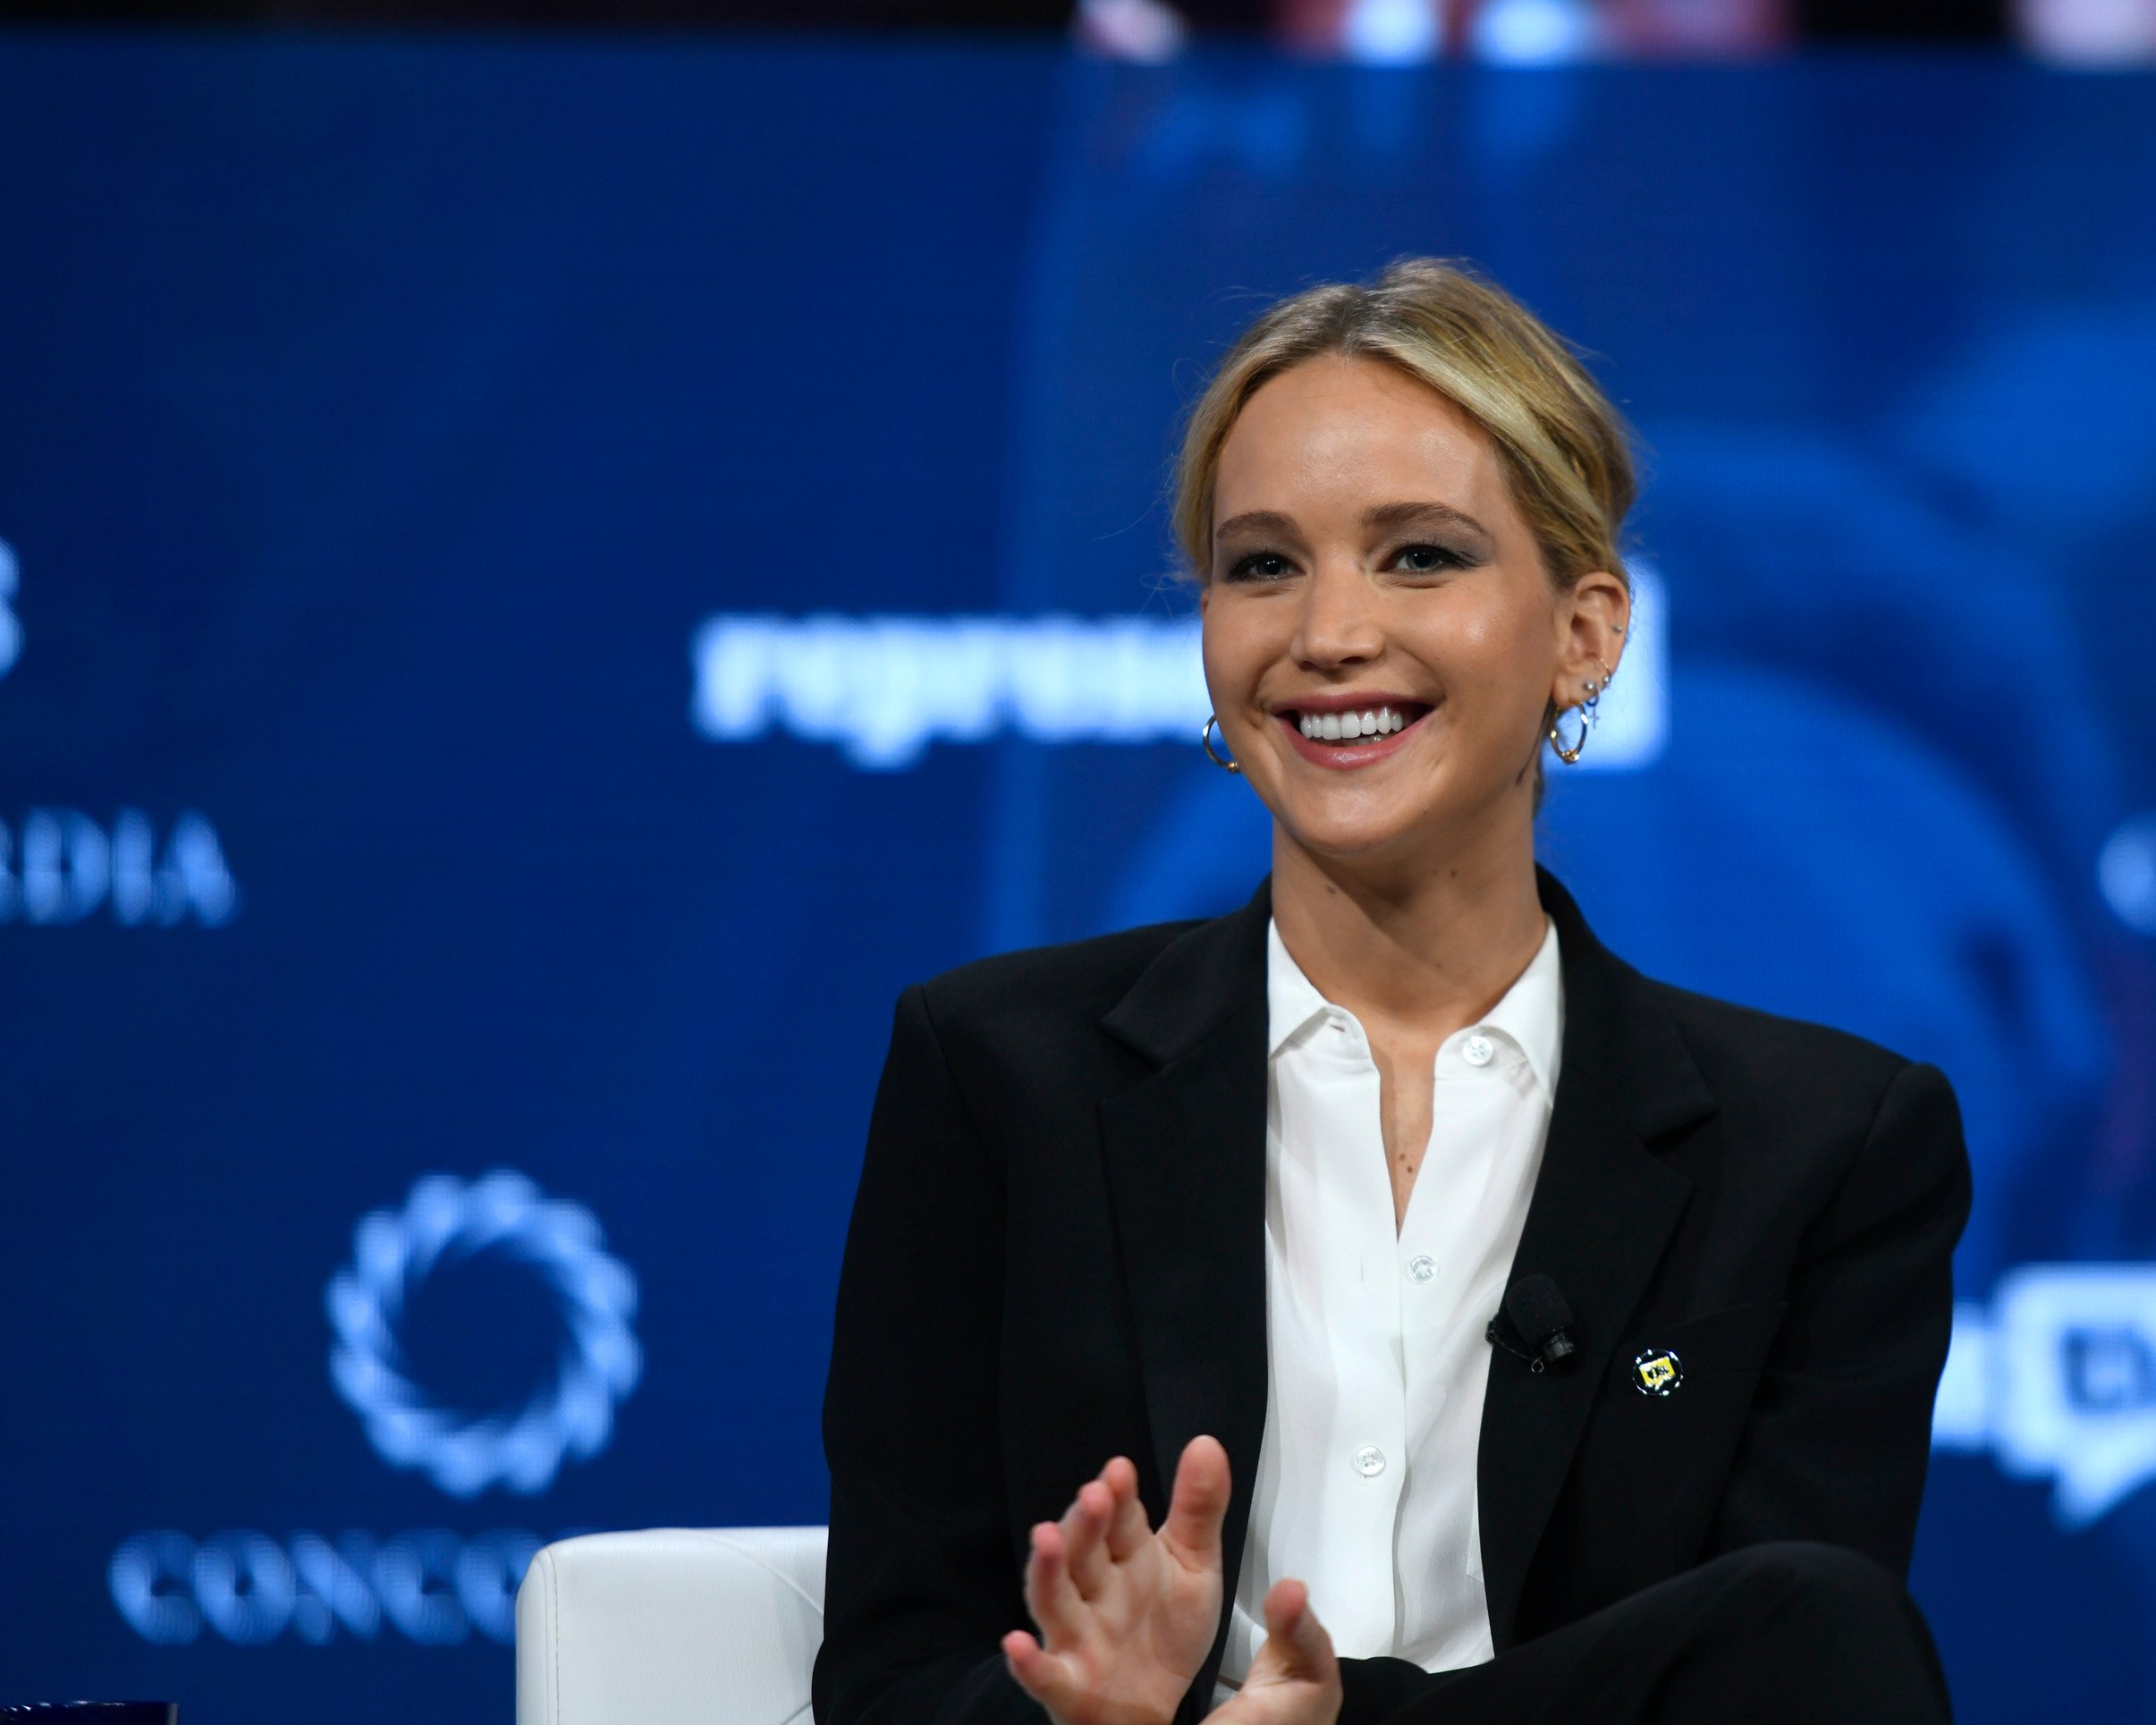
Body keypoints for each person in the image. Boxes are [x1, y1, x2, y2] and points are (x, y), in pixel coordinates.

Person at [814, 258, 1969, 1725]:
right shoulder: (995, 1075)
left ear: (1585, 633)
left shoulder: (1825, 1143)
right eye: (1263, 564)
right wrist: (1083, 1716)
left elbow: (1779, 1671)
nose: (1329, 634)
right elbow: (889, 1684)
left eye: (1419, 556)